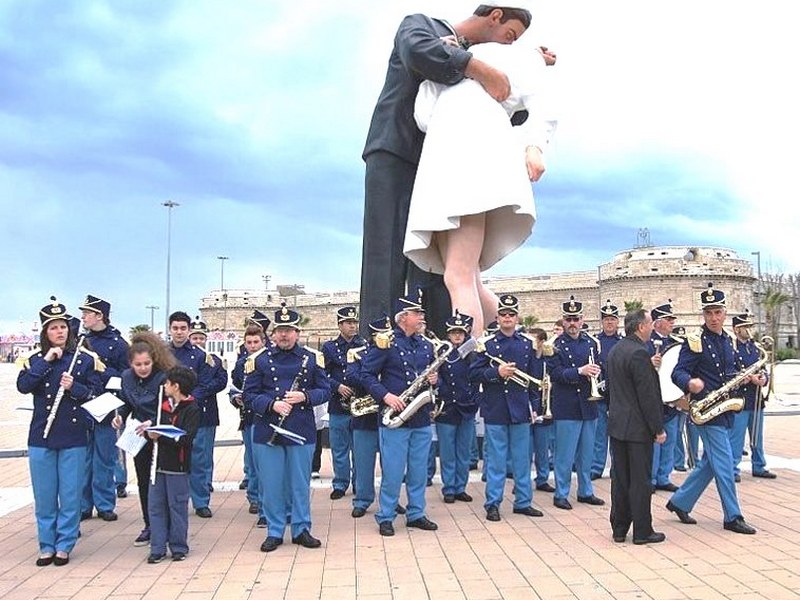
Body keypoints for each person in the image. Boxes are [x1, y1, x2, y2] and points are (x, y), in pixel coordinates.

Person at [360, 3, 535, 337]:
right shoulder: (423, 25)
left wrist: (528, 68)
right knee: (386, 256)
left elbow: (506, 111)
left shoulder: (473, 63)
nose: (509, 45)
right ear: (495, 16)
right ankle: (378, 345)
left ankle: (443, 346)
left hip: (441, 168)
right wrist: (480, 69)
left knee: (438, 264)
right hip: (397, 153)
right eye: (509, 35)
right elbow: (419, 52)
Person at [404, 38, 556, 336]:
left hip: (471, 161)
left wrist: (535, 145)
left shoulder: (516, 61)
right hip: (445, 163)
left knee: (458, 275)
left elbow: (543, 105)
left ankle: (471, 362)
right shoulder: (453, 74)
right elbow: (423, 115)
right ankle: (512, 343)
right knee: (466, 276)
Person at [17, 297, 103, 566]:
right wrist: (46, 361)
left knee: (69, 495)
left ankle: (64, 544)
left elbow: (96, 393)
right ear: (45, 332)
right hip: (41, 437)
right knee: (44, 496)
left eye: (63, 327)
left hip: (73, 437)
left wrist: (74, 387)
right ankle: (46, 544)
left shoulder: (84, 359)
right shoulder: (34, 360)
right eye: (53, 328)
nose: (60, 332)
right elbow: (24, 386)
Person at [666, 283, 757, 534]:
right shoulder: (695, 342)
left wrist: (743, 377)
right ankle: (732, 516)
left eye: (718, 312)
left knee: (710, 463)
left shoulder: (727, 340)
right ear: (703, 315)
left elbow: (727, 372)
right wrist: (689, 383)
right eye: (709, 313)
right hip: (706, 412)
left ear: (725, 313)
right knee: (725, 463)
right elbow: (677, 372)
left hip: (725, 410)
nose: (714, 318)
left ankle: (680, 502)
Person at [244, 303, 331, 553]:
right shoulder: (258, 360)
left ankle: (302, 529)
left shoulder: (312, 358)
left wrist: (304, 396)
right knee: (271, 484)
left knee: (299, 483)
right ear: (273, 334)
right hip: (268, 429)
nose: (284, 335)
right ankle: (274, 530)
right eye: (280, 330)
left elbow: (325, 391)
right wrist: (272, 404)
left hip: (300, 429)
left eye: (289, 330)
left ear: (297, 332)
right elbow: (249, 396)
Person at [360, 290, 440, 536]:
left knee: (418, 471)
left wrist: (434, 381)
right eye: (417, 313)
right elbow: (366, 375)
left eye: (421, 313)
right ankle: (386, 515)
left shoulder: (427, 345)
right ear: (403, 317)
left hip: (420, 416)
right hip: (394, 417)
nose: (421, 317)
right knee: (393, 472)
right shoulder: (386, 343)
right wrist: (385, 396)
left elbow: (435, 382)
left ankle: (416, 513)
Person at [471, 295, 543, 521]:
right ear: (498, 317)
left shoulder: (527, 343)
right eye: (503, 315)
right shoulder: (487, 344)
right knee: (496, 460)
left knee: (522, 460)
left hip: (520, 409)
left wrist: (534, 406)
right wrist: (496, 373)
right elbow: (473, 374)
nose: (508, 318)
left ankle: (523, 501)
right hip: (496, 409)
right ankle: (493, 503)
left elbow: (533, 380)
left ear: (517, 317)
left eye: (511, 314)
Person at [606, 309, 667, 545]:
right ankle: (643, 530)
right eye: (650, 323)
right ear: (641, 326)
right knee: (641, 480)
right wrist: (658, 428)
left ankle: (619, 529)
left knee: (620, 479)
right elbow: (648, 396)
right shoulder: (640, 353)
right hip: (637, 428)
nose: (653, 327)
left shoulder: (616, 350)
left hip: (617, 425)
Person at [113, 331, 178, 547]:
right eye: (138, 364)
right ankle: (149, 524)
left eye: (146, 363)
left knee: (163, 481)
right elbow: (127, 402)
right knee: (143, 481)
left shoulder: (163, 377)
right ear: (131, 363)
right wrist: (120, 416)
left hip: (160, 432)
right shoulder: (126, 377)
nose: (142, 368)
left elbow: (171, 406)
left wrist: (153, 421)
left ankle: (168, 526)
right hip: (139, 435)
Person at [546, 296, 605, 510]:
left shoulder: (592, 342)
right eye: (569, 319)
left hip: (588, 405)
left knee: (587, 453)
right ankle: (561, 493)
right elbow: (555, 373)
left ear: (582, 320)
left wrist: (597, 374)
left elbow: (601, 367)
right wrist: (579, 371)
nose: (572, 323)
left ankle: (585, 491)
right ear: (563, 321)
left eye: (576, 319)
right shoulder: (555, 345)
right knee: (565, 454)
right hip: (567, 405)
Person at [79, 294, 130, 523]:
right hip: (83, 405)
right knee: (83, 459)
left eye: (87, 313)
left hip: (108, 406)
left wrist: (104, 371)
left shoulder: (118, 344)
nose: (83, 317)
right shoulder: (81, 341)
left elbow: (127, 376)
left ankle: (105, 503)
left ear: (100, 316)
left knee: (104, 458)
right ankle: (83, 504)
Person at [145, 366, 202, 563]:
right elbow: (154, 426)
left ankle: (178, 546)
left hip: (177, 466)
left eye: (167, 383)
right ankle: (157, 547)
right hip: (157, 464)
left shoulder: (192, 409)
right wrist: (148, 431)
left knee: (177, 506)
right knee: (156, 506)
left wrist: (161, 436)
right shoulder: (162, 406)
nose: (164, 386)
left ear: (176, 386)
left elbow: (186, 438)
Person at [166, 311, 216, 518]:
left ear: (189, 330)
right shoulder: (160, 354)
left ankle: (201, 501)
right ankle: (175, 502)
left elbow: (205, 384)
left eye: (183, 328)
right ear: (170, 329)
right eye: (175, 328)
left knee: (199, 460)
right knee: (171, 460)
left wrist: (185, 401)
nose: (179, 332)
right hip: (168, 413)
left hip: (195, 414)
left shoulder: (201, 355)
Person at [348, 316, 392, 518]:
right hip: (365, 415)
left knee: (391, 463)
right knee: (363, 461)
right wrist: (376, 379)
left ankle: (389, 500)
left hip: (389, 414)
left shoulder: (395, 352)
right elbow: (351, 376)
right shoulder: (357, 353)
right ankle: (362, 500)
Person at [321, 307, 366, 500]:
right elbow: (322, 374)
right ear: (340, 325)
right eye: (348, 323)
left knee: (359, 448)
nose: (353, 326)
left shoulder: (364, 345)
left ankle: (359, 483)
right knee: (339, 447)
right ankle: (340, 483)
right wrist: (337, 386)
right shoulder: (329, 348)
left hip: (360, 403)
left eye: (355, 322)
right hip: (338, 404)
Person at [187, 317, 229, 517]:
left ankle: (202, 496)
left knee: (203, 456)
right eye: (193, 337)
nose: (197, 341)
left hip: (205, 413)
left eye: (200, 338)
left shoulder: (214, 359)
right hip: (183, 413)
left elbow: (221, 381)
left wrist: (201, 391)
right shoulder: (182, 357)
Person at [436, 312, 479, 504]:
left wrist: (475, 399)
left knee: (463, 451)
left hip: (466, 407)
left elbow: (477, 378)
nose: (457, 336)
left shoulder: (472, 353)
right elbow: (436, 377)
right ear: (448, 334)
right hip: (447, 407)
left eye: (460, 333)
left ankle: (461, 487)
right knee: (447, 452)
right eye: (454, 333)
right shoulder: (442, 353)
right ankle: (449, 488)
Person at [729, 312, 775, 481]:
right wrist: (749, 379)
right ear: (736, 329)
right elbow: (730, 373)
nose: (748, 330)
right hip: (740, 398)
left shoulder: (754, 347)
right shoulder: (731, 348)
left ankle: (759, 465)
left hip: (756, 398)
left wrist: (764, 379)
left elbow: (763, 367)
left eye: (749, 327)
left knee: (757, 435)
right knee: (736, 437)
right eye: (744, 327)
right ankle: (733, 469)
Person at [229, 324, 268, 526]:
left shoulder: (270, 361)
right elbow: (234, 387)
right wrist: (235, 399)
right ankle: (254, 498)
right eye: (249, 342)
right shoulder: (241, 363)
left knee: (264, 466)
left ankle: (264, 505)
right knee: (252, 463)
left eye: (256, 342)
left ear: (263, 341)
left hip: (265, 416)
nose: (252, 346)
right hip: (248, 418)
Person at [647, 301, 682, 493]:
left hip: (671, 398)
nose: (672, 323)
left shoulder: (677, 343)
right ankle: (650, 479)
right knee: (654, 440)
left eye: (672, 320)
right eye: (668, 320)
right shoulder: (646, 342)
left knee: (670, 439)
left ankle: (663, 477)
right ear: (658, 322)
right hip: (653, 398)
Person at [590, 300, 622, 480]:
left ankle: (616, 468)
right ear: (602, 322)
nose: (609, 322)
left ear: (617, 321)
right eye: (606, 319)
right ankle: (596, 467)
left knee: (617, 435)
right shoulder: (595, 342)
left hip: (618, 396)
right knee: (599, 434)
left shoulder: (622, 342)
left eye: (612, 319)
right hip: (601, 394)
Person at [526, 327, 555, 493]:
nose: (532, 344)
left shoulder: (548, 360)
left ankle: (542, 478)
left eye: (534, 340)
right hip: (528, 407)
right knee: (526, 449)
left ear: (542, 342)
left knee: (543, 447)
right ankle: (521, 481)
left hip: (544, 407)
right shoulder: (527, 359)